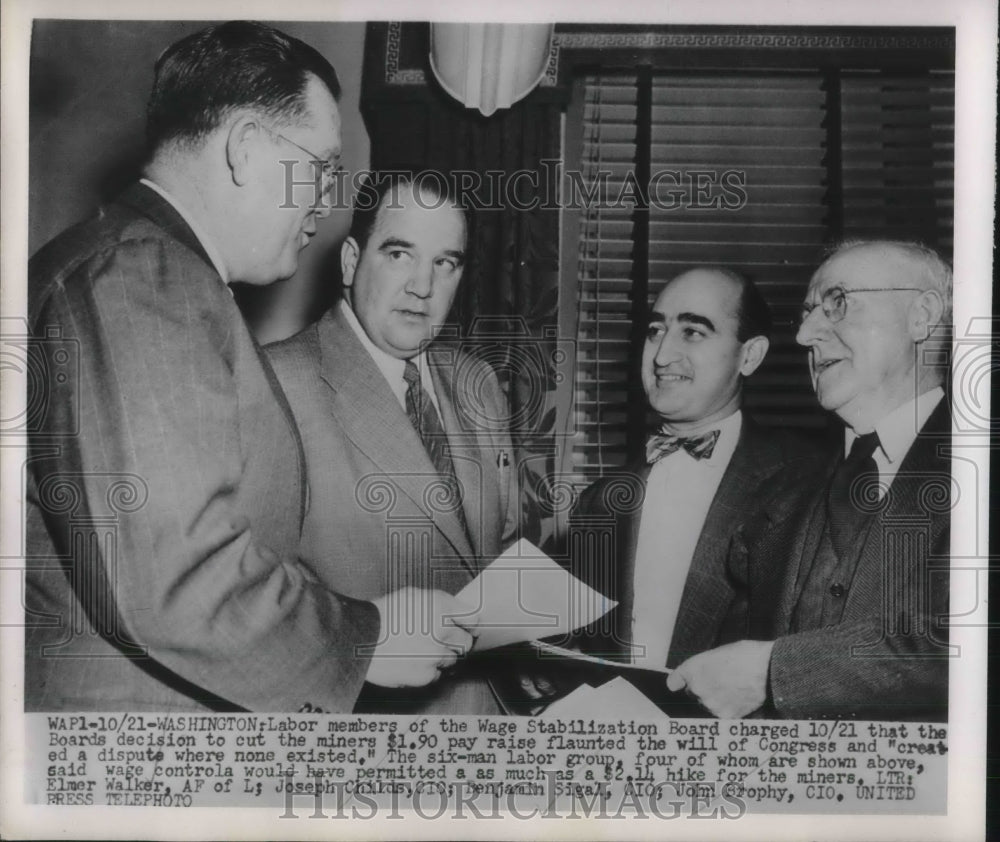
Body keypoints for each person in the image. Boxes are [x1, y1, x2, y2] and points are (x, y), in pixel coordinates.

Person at [25, 22, 471, 713]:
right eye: (322, 167)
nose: (327, 203)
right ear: (245, 147)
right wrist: (365, 637)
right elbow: (175, 577)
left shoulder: (156, 273)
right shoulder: (141, 276)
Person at [667, 240, 952, 721]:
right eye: (807, 312)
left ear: (921, 316)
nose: (804, 334)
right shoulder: (781, 491)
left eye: (836, 303)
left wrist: (777, 672)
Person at [266, 173, 518, 714]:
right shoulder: (277, 383)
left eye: (445, 263)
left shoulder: (481, 386)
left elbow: (496, 550)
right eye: (400, 253)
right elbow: (247, 598)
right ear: (352, 262)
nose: (422, 287)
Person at [568, 267, 822, 677]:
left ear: (750, 355)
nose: (662, 355)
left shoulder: (812, 483)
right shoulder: (597, 503)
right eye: (655, 331)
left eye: (693, 332)